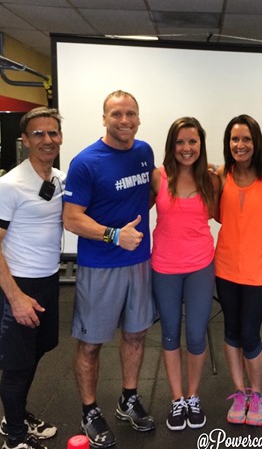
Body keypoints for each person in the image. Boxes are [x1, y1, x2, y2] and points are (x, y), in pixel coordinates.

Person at [63, 90, 156, 448]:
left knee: (135, 335)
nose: (124, 120)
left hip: (140, 262)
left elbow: (148, 194)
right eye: (116, 114)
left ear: (138, 118)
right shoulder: (86, 162)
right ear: (104, 118)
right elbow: (72, 219)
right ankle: (89, 411)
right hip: (100, 266)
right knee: (91, 343)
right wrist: (115, 235)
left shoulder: (144, 152)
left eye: (130, 113)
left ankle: (128, 399)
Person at [214, 115, 262, 427]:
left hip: (258, 270)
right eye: (235, 139)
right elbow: (217, 213)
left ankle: (256, 394)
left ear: (256, 142)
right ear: (228, 143)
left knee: (250, 334)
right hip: (225, 267)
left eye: (246, 139)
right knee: (231, 331)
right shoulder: (221, 175)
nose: (240, 145)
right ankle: (239, 392)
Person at [0, 107, 65, 449]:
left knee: (37, 352)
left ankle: (16, 416)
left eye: (52, 132)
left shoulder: (59, 179)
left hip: (49, 281)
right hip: (19, 285)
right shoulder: (9, 185)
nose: (47, 139)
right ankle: (14, 438)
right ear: (25, 140)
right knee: (16, 365)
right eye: (38, 134)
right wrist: (15, 298)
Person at [151, 117, 220, 432]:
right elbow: (132, 208)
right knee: (169, 334)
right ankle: (176, 399)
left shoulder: (211, 180)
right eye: (180, 142)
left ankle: (193, 396)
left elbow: (224, 213)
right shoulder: (158, 177)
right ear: (171, 145)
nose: (186, 148)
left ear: (201, 144)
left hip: (200, 267)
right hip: (164, 266)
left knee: (195, 335)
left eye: (192, 141)